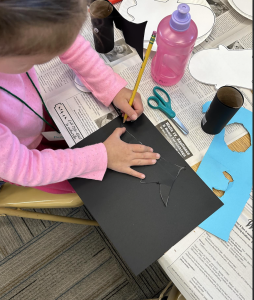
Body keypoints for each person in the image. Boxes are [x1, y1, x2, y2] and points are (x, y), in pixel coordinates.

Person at [0, 0, 160, 194]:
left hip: (30, 119)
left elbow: (69, 43)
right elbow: (25, 168)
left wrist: (110, 86)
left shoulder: (18, 36)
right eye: (36, 59)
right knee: (94, 188)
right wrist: (102, 157)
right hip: (21, 163)